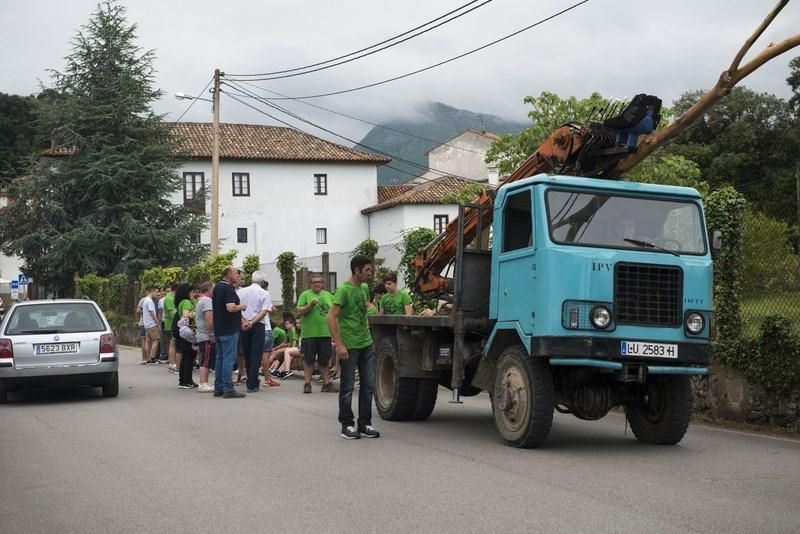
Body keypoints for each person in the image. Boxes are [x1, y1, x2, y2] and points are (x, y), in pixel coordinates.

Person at [327, 254, 380, 440]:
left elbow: (364, 312)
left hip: (365, 344)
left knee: (368, 386)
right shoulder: (343, 290)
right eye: (367, 270)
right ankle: (347, 425)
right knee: (348, 387)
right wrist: (339, 344)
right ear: (356, 270)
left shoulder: (364, 288)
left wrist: (371, 339)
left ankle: (365, 424)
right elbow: (330, 317)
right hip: (349, 346)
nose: (370, 273)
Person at [296, 274, 336, 393]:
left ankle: (326, 384)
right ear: (311, 284)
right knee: (309, 359)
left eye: (319, 282)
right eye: (314, 282)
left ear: (322, 283)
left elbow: (334, 312)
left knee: (324, 359)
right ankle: (307, 383)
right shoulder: (305, 295)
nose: (317, 284)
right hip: (309, 333)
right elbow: (299, 310)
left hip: (325, 333)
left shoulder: (329, 295)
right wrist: (310, 305)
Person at [213, 266, 247, 399]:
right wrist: (241, 306)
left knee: (220, 358)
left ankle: (219, 387)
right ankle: (228, 388)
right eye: (235, 273)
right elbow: (230, 307)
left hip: (219, 327)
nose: (238, 274)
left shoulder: (217, 287)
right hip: (229, 328)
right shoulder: (228, 288)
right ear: (228, 274)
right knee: (228, 359)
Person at [238, 271, 272, 393]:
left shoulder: (241, 291)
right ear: (262, 282)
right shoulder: (264, 293)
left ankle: (249, 380)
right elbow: (264, 311)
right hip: (258, 325)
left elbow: (238, 308)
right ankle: (252, 383)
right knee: (256, 354)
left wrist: (244, 321)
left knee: (247, 353)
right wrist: (252, 322)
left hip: (243, 323)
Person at [172, 283, 198, 389]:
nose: (194, 294)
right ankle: (187, 380)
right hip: (188, 332)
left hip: (182, 332)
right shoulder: (187, 302)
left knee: (185, 355)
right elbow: (186, 315)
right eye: (192, 292)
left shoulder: (181, 302)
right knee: (189, 356)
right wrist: (197, 313)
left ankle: (183, 380)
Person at [194, 281, 215, 392]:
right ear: (208, 289)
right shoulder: (207, 301)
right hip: (206, 335)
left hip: (202, 334)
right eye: (213, 289)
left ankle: (204, 382)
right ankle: (203, 383)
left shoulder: (201, 300)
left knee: (204, 358)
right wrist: (211, 333)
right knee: (205, 360)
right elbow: (208, 318)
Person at [141, 286, 161, 364]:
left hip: (146, 324)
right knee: (156, 339)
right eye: (156, 292)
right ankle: (152, 358)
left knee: (148, 340)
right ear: (151, 292)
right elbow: (152, 313)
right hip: (151, 323)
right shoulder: (150, 301)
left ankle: (148, 357)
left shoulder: (145, 300)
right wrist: (157, 323)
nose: (157, 293)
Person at [162, 283, 178, 373]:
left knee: (172, 343)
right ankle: (172, 362)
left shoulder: (171, 298)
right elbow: (171, 313)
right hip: (171, 323)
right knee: (172, 343)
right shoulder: (169, 298)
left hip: (172, 323)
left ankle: (172, 362)